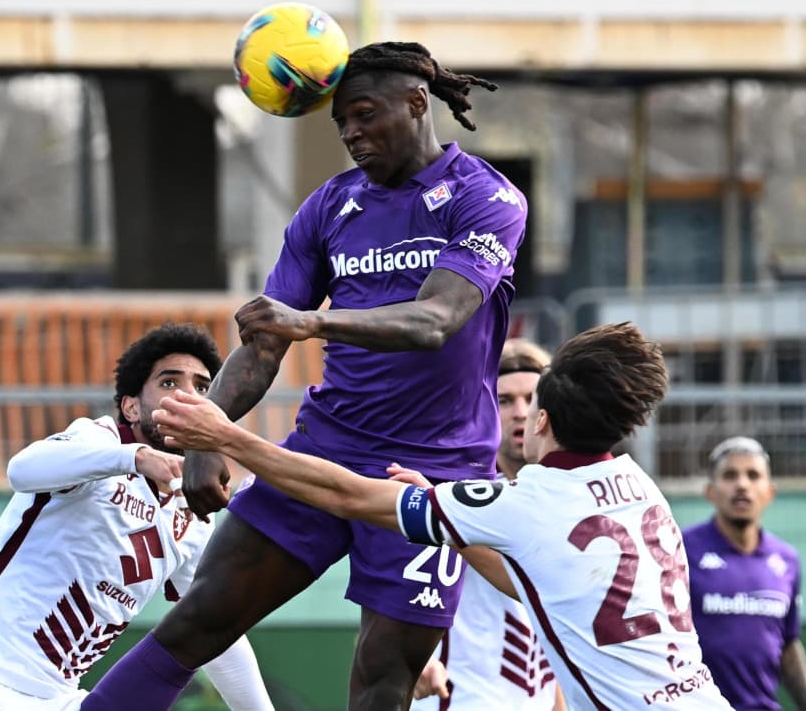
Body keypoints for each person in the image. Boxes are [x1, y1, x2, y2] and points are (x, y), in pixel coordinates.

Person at [84, 40, 522, 711]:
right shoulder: (327, 208)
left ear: (416, 103)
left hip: (434, 475)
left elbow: (437, 319)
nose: (350, 132)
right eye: (339, 120)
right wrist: (210, 437)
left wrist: (311, 322)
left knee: (383, 677)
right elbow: (263, 343)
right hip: (323, 451)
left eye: (364, 114)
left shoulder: (485, 199)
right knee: (198, 620)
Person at [150, 322, 735, 710]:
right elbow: (527, 578)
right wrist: (453, 522)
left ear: (542, 422)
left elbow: (352, 496)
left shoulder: (526, 504)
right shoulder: (640, 488)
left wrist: (228, 436)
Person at [0, 323, 274, 711]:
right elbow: (22, 469)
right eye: (168, 383)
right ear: (131, 407)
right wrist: (135, 458)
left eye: (201, 387)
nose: (187, 396)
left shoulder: (192, 512)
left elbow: (212, 624)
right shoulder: (100, 442)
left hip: (56, 696)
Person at [411, 338, 565, 711]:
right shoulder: (449, 496)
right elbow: (388, 603)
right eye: (504, 400)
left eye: (532, 399)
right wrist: (414, 661)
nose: (520, 412)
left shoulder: (567, 500)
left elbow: (553, 630)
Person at [682, 437, 806, 711]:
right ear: (711, 491)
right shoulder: (682, 550)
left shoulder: (787, 560)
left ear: (769, 492)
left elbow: (787, 646)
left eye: (753, 475)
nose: (742, 485)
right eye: (730, 475)